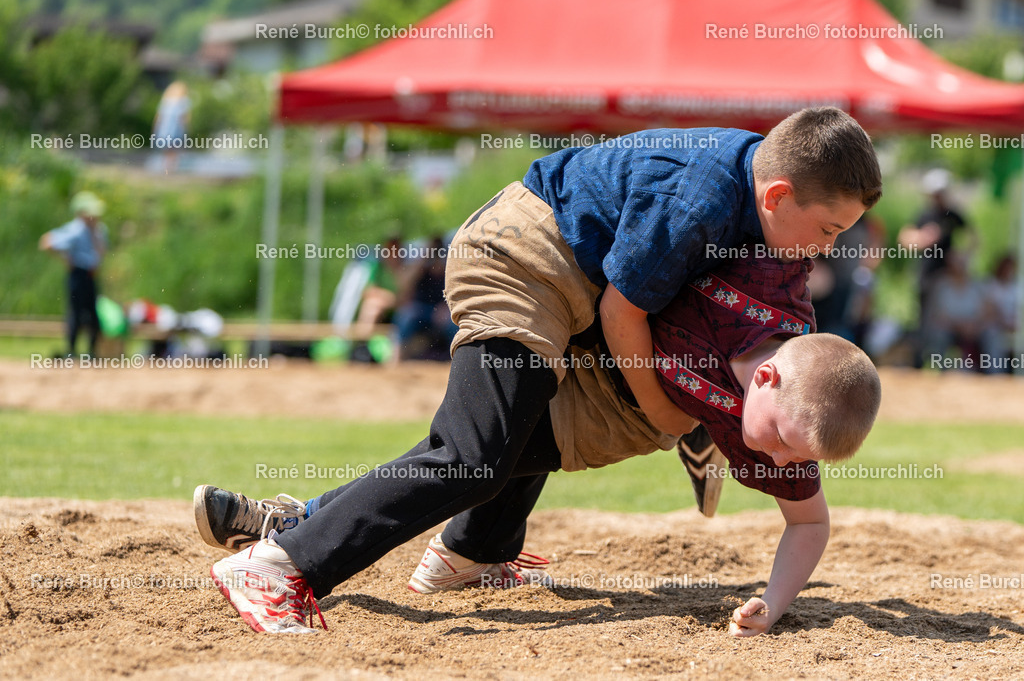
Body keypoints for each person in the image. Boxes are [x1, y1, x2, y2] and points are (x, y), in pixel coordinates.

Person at [195, 107, 881, 635]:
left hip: (571, 292)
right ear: (778, 195)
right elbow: (623, 315)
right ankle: (280, 568)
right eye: (828, 230)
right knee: (476, 454)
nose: (829, 248)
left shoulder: (766, 249)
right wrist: (673, 418)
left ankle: (450, 546)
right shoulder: (702, 197)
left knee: (522, 430)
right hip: (524, 259)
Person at [898, 169, 977, 367]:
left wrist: (962, 258)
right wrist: (921, 239)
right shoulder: (925, 215)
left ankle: (942, 363)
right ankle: (919, 361)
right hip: (927, 275)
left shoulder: (953, 214)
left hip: (947, 278)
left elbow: (973, 237)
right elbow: (905, 238)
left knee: (944, 320)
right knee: (923, 319)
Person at [39, 191, 109, 358]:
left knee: (93, 313)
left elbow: (102, 250)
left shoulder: (99, 230)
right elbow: (46, 242)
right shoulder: (75, 230)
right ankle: (71, 351)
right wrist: (66, 259)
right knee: (76, 313)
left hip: (91, 275)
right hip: (78, 274)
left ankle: (92, 352)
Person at [152, 81, 191, 173]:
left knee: (166, 150)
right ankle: (172, 169)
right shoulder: (183, 101)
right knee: (174, 151)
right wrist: (187, 129)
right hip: (176, 130)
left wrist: (155, 129)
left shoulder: (166, 100)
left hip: (164, 130)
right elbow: (184, 118)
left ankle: (165, 168)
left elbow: (159, 117)